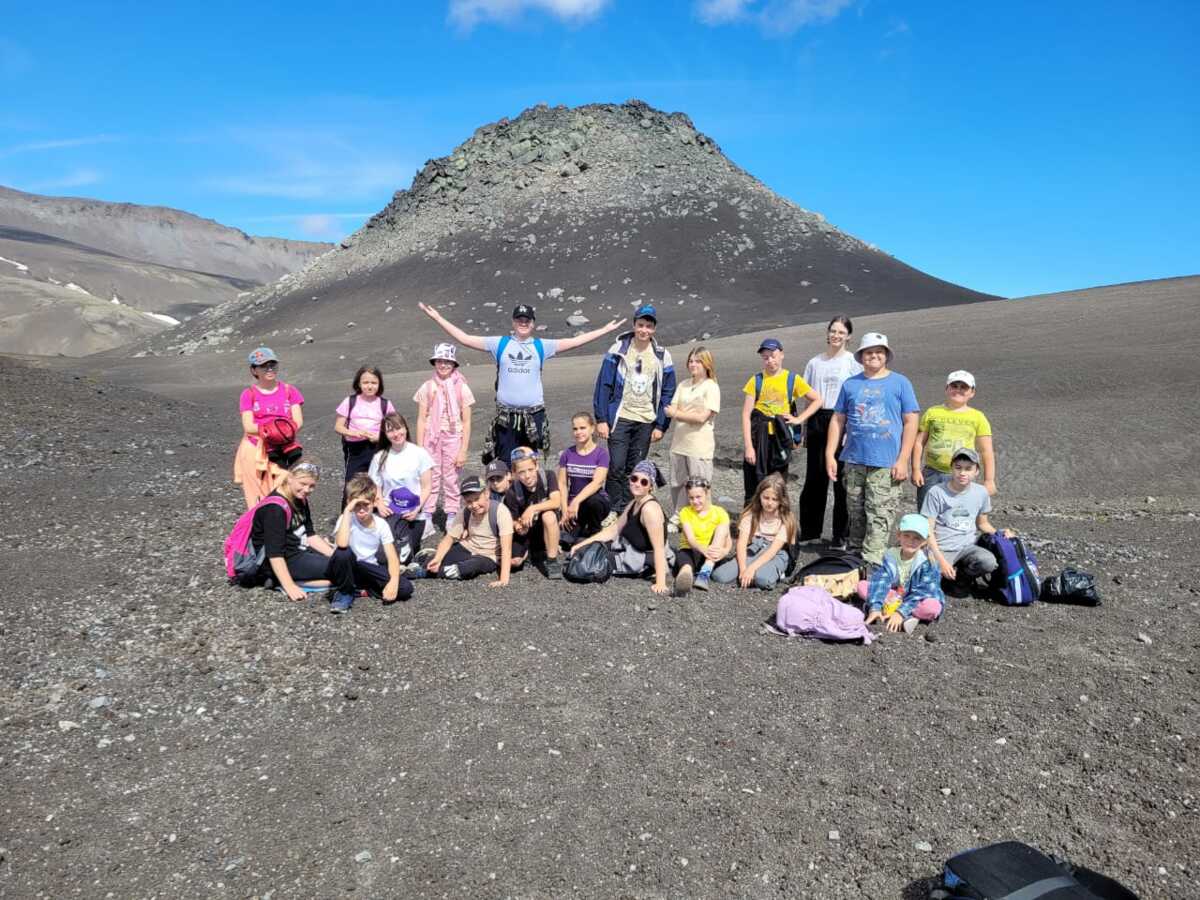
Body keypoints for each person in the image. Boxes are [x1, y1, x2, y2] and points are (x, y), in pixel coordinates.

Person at [418, 301, 625, 465]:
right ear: (513, 322)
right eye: (519, 319)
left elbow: (574, 342)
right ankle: (506, 508)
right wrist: (437, 317)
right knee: (505, 463)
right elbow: (464, 338)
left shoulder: (542, 346)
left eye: (527, 320)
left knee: (529, 463)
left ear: (533, 323)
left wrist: (604, 330)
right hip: (506, 416)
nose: (523, 323)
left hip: (533, 416)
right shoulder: (499, 343)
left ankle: (530, 508)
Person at [825, 332, 920, 567]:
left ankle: (873, 562)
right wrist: (830, 453)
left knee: (879, 514)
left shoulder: (900, 383)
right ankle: (855, 558)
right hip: (855, 460)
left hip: (886, 463)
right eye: (869, 352)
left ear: (886, 355)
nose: (874, 356)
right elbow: (838, 420)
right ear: (861, 356)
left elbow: (911, 421)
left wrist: (903, 460)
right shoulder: (851, 384)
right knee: (855, 512)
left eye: (879, 352)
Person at [592, 304, 676, 514]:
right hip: (621, 417)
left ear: (654, 329)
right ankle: (611, 511)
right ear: (634, 325)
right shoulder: (618, 350)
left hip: (646, 420)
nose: (644, 330)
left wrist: (661, 425)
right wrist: (601, 418)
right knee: (617, 466)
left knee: (635, 468)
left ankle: (630, 510)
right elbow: (604, 385)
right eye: (640, 325)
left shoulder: (662, 355)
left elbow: (668, 391)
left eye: (648, 326)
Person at [799, 316, 862, 548]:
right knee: (815, 478)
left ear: (848, 337)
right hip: (818, 419)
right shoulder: (814, 362)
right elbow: (809, 396)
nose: (836, 335)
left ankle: (840, 536)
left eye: (841, 332)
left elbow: (856, 396)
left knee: (841, 479)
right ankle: (809, 532)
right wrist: (805, 428)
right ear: (827, 333)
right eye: (833, 331)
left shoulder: (852, 363)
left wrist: (851, 429)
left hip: (842, 419)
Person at [571, 459, 672, 594]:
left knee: (594, 563)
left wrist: (660, 583)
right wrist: (584, 544)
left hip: (641, 558)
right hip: (626, 547)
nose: (637, 484)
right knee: (582, 546)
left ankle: (654, 570)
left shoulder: (650, 510)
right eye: (634, 478)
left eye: (644, 482)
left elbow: (659, 548)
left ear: (651, 487)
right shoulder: (634, 502)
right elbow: (614, 529)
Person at [921, 448, 1011, 597]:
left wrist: (1001, 534)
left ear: (976, 472)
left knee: (988, 561)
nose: (962, 473)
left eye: (968, 469)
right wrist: (941, 560)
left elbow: (983, 524)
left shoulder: (981, 493)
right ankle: (944, 575)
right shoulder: (936, 492)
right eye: (958, 468)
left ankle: (960, 580)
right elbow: (927, 530)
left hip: (967, 548)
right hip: (941, 548)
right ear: (952, 469)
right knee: (925, 583)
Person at [741, 337, 821, 504]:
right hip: (758, 438)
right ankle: (751, 525)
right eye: (765, 357)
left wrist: (799, 419)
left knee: (777, 485)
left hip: (779, 440)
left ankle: (777, 525)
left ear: (781, 355)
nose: (770, 360)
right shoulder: (755, 380)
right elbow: (746, 415)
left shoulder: (792, 379)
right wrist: (749, 447)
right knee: (753, 485)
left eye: (773, 355)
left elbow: (818, 400)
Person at [247, 461, 335, 601]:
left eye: (311, 486)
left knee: (344, 560)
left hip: (298, 550)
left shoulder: (300, 499)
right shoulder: (275, 509)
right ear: (289, 478)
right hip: (282, 560)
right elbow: (274, 553)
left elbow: (310, 534)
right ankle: (285, 581)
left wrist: (335, 555)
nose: (307, 489)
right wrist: (289, 586)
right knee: (343, 571)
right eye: (303, 484)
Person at [912, 369, 997, 509]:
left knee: (957, 514)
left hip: (963, 474)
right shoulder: (933, 412)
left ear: (972, 392)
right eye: (954, 386)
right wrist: (915, 469)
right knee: (926, 514)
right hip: (932, 473)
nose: (958, 390)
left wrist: (989, 480)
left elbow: (986, 450)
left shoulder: (978, 417)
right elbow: (919, 442)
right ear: (947, 389)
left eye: (964, 387)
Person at [327, 473, 411, 613]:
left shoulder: (381, 524)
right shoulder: (345, 518)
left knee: (405, 588)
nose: (361, 510)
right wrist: (347, 511)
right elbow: (341, 544)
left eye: (365, 505)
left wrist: (394, 582)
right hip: (346, 566)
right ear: (350, 503)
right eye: (356, 505)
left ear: (374, 503)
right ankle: (345, 593)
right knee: (343, 553)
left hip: (367, 568)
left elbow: (392, 556)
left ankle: (360, 591)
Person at [410, 475, 513, 586]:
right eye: (469, 501)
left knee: (469, 568)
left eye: (477, 499)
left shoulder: (500, 512)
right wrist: (438, 559)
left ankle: (421, 573)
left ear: (487, 493)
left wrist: (503, 579)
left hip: (488, 555)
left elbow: (506, 548)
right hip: (468, 546)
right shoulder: (465, 512)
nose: (474, 505)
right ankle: (428, 559)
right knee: (434, 562)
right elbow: (449, 538)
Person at [234, 347, 304, 508]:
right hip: (256, 448)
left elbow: (298, 421)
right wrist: (271, 430)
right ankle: (259, 528)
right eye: (264, 366)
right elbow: (248, 426)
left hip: (285, 448)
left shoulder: (289, 391)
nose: (269, 369)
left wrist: (282, 432)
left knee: (288, 490)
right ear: (254, 370)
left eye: (272, 364)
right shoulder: (248, 394)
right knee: (257, 496)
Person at [414, 343, 475, 526]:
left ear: (454, 364)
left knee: (451, 477)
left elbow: (466, 421)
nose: (443, 365)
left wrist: (463, 450)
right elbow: (421, 419)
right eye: (440, 361)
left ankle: (451, 513)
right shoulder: (427, 387)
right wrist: (419, 448)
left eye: (448, 361)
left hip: (453, 436)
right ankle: (427, 514)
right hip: (431, 437)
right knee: (430, 475)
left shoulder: (462, 388)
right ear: (435, 362)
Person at [859, 513, 945, 634]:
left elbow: (923, 592)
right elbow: (881, 580)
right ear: (899, 535)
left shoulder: (928, 562)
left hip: (918, 598)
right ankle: (879, 611)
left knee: (932, 607)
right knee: (863, 586)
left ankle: (904, 616)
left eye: (917, 538)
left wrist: (900, 612)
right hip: (896, 595)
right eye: (907, 536)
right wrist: (875, 607)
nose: (911, 541)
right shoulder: (890, 555)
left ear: (925, 541)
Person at [368, 412, 434, 565]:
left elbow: (427, 486)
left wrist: (417, 508)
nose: (396, 434)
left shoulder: (419, 454)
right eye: (390, 430)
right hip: (390, 513)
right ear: (385, 434)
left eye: (399, 428)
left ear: (405, 428)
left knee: (403, 557)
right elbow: (374, 485)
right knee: (385, 557)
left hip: (414, 514)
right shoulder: (380, 457)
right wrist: (379, 504)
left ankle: (413, 554)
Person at [664, 346, 721, 521]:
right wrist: (683, 414)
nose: (693, 364)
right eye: (691, 361)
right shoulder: (683, 384)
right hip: (680, 442)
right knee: (677, 482)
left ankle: (701, 518)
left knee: (700, 483)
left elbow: (702, 417)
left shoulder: (711, 387)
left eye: (698, 361)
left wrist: (677, 414)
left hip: (699, 445)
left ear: (707, 364)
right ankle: (679, 515)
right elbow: (670, 407)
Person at [713, 473, 797, 590]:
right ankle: (750, 574)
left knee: (762, 580)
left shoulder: (787, 519)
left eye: (774, 499)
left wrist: (751, 569)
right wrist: (743, 569)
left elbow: (773, 550)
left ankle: (776, 573)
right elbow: (741, 544)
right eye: (766, 498)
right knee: (719, 576)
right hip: (754, 548)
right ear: (759, 496)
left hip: (776, 553)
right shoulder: (751, 515)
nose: (769, 503)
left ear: (781, 500)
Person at [333, 365, 395, 504]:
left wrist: (379, 437)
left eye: (374, 383)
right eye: (365, 382)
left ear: (379, 384)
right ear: (359, 384)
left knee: (378, 482)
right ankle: (347, 517)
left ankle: (377, 517)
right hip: (355, 449)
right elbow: (338, 427)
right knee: (352, 484)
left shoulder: (385, 404)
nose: (369, 386)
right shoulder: (350, 401)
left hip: (378, 448)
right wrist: (354, 433)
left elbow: (393, 429)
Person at [502, 447, 564, 578]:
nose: (527, 476)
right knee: (514, 563)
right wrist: (518, 527)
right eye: (522, 472)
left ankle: (552, 561)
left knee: (549, 515)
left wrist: (532, 508)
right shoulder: (512, 491)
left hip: (547, 527)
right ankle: (530, 552)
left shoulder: (548, 476)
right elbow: (512, 520)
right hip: (527, 532)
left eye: (530, 469)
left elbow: (556, 502)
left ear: (536, 465)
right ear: (514, 473)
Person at [557, 412, 612, 543]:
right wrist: (565, 509)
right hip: (573, 507)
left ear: (592, 428)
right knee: (567, 541)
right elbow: (562, 483)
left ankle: (596, 532)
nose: (578, 432)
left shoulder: (601, 454)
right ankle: (581, 530)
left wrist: (576, 501)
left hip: (596, 502)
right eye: (575, 429)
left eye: (583, 428)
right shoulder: (567, 454)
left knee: (593, 502)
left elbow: (597, 483)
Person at [673, 477, 733, 596]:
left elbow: (728, 540)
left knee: (721, 528)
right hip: (691, 550)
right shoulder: (685, 512)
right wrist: (703, 549)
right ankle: (685, 578)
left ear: (707, 493)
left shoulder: (720, 512)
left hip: (710, 552)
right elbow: (690, 539)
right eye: (691, 498)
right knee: (685, 564)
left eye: (698, 497)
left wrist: (724, 552)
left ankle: (705, 571)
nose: (695, 501)